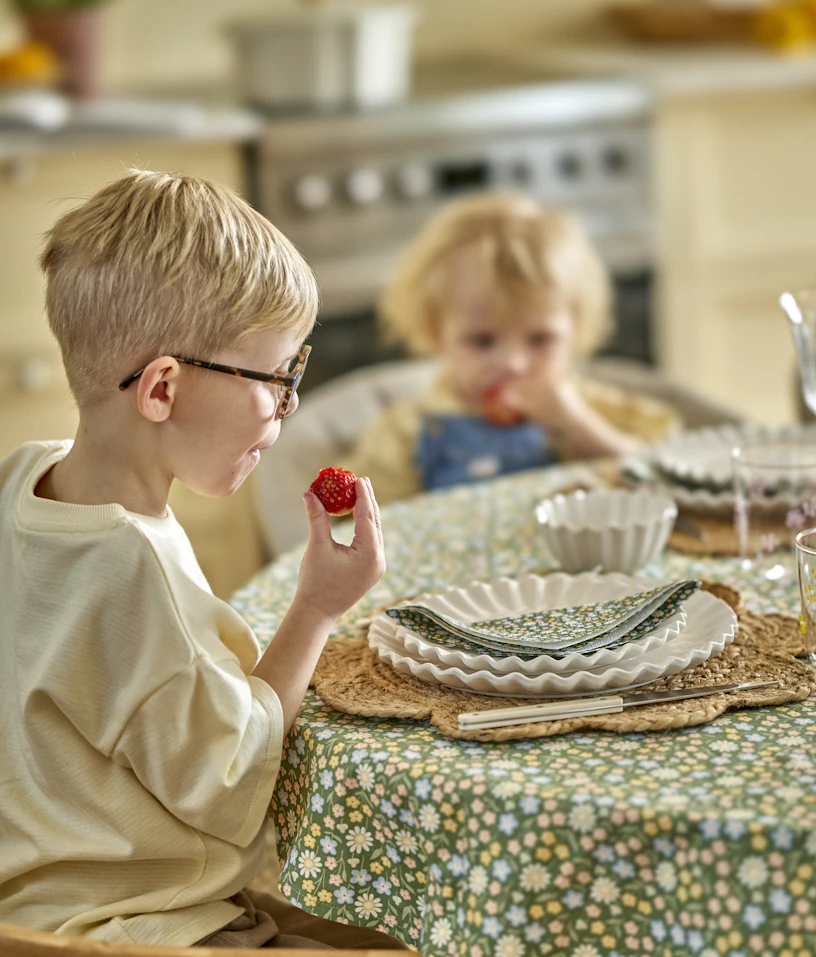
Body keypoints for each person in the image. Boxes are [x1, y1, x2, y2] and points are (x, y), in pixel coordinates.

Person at [0, 170, 402, 951]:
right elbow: (230, 783)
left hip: (26, 905)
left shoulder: (23, 478)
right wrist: (318, 605)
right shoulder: (131, 570)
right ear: (160, 389)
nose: (285, 408)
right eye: (274, 377)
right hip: (144, 928)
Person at [344, 193, 679, 505]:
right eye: (483, 340)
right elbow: (368, 520)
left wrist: (578, 425)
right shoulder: (407, 429)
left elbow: (666, 470)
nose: (513, 364)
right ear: (437, 334)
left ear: (575, 331)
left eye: (540, 339)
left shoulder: (588, 406)